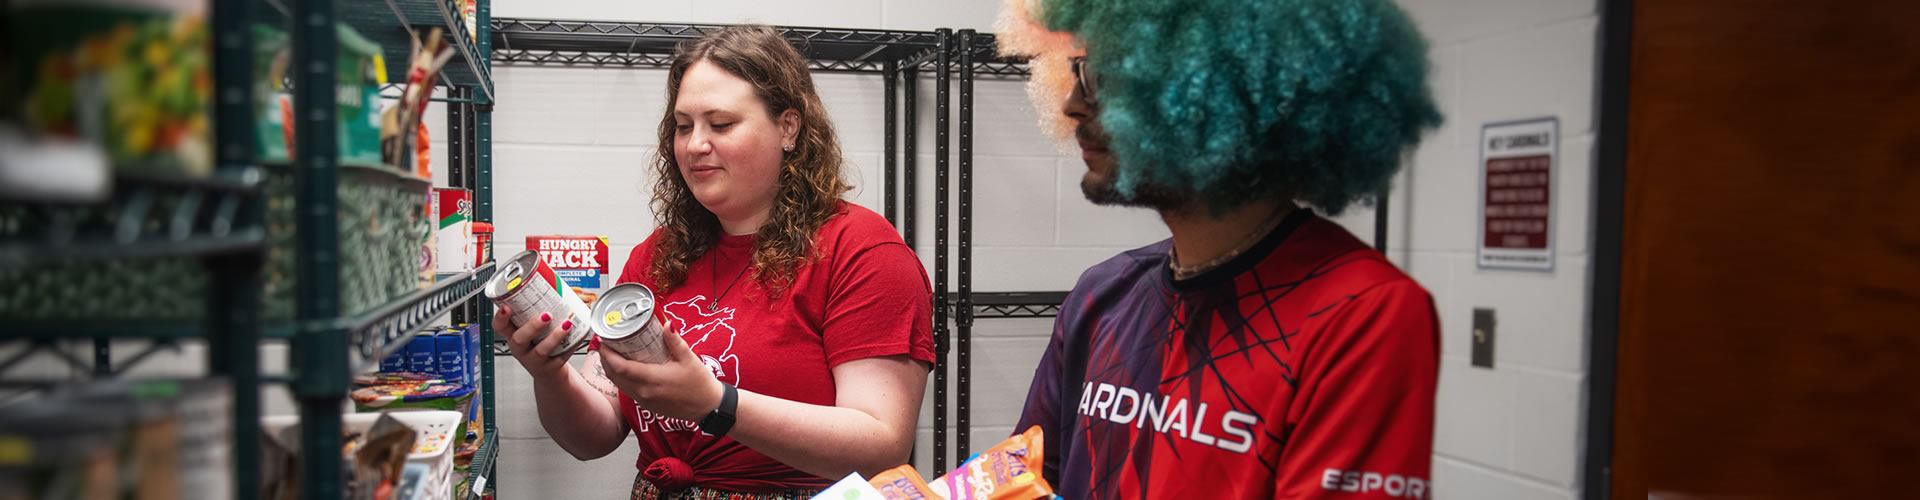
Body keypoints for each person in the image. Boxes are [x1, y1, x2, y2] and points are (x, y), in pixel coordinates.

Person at [1004, 0, 1445, 498]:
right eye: (1078, 73)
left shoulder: (1363, 312)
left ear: (1229, 95)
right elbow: (1025, 482)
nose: (1073, 104)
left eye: (1105, 76)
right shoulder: (1101, 295)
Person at [495, 25, 935, 500]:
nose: (694, 145)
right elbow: (594, 435)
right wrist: (550, 374)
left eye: (720, 124)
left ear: (788, 127)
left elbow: (882, 446)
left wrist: (715, 404)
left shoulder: (862, 251)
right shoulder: (658, 255)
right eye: (683, 126)